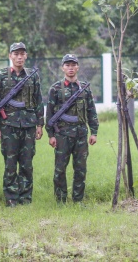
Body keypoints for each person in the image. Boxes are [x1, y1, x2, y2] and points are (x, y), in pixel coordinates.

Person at [0, 42, 43, 207]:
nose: (19, 57)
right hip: (8, 126)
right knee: (10, 163)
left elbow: (38, 100)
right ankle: (11, 198)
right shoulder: (0, 75)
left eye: (22, 54)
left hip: (28, 125)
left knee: (27, 163)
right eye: (16, 54)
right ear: (10, 56)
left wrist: (40, 124)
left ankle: (26, 198)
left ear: (26, 56)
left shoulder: (33, 75)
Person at [46, 54, 98, 203]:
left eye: (73, 65)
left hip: (81, 135)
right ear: (63, 68)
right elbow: (49, 113)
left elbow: (91, 111)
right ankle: (61, 201)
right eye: (67, 65)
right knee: (60, 169)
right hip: (62, 135)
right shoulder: (55, 89)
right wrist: (51, 135)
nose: (70, 68)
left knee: (80, 169)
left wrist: (94, 132)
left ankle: (78, 200)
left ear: (78, 67)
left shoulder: (85, 89)